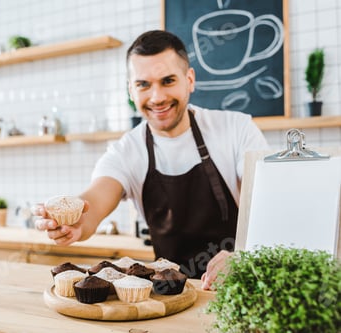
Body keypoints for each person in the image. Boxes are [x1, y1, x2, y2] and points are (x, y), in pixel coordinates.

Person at [34, 30, 269, 289]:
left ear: (189, 80)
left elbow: (268, 206)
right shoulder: (126, 151)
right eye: (143, 84)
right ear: (130, 90)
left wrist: (246, 254)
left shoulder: (236, 129)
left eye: (167, 81)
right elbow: (95, 199)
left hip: (239, 287)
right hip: (169, 296)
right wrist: (76, 222)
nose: (156, 97)